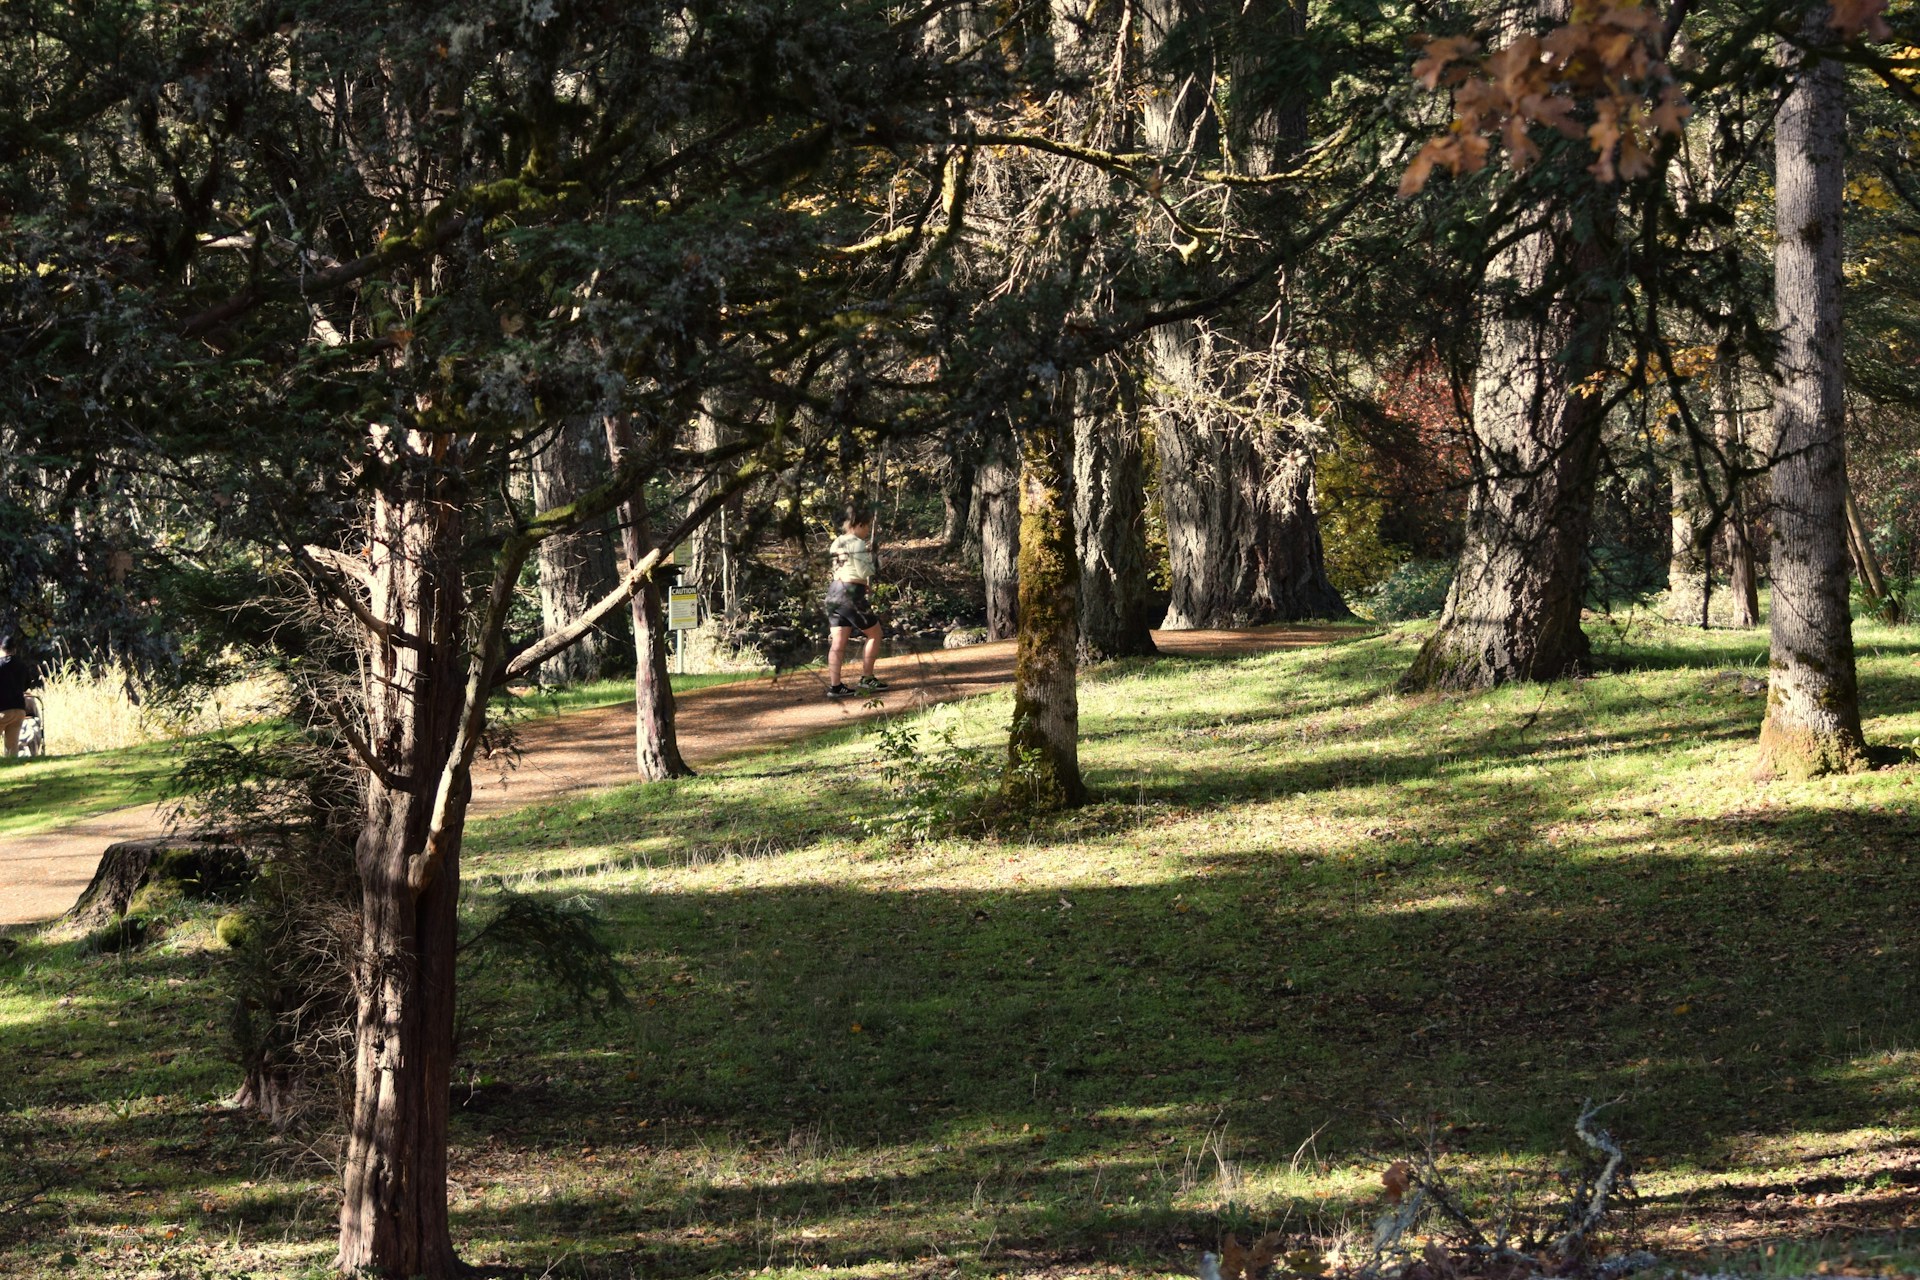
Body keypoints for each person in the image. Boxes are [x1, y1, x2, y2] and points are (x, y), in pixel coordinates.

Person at [823, 504, 889, 700]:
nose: (868, 530)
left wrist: (861, 584)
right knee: (875, 634)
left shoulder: (836, 542)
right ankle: (867, 678)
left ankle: (836, 686)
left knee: (838, 642)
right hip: (851, 594)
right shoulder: (857, 543)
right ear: (858, 524)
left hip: (834, 592)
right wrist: (876, 562)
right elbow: (863, 571)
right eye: (867, 526)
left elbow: (842, 570)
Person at [0, 633, 36, 759]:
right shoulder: (22, 665)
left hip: (2, 710)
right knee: (12, 746)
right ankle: (11, 766)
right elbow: (26, 685)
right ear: (14, 649)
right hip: (20, 710)